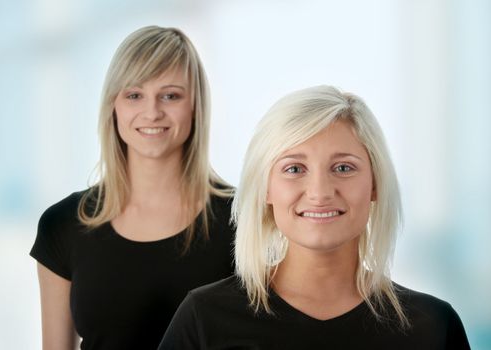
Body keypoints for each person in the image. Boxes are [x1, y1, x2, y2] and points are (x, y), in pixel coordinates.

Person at [158, 85, 470, 349]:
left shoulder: (433, 328)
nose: (320, 192)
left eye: (343, 168)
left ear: (374, 184)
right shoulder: (204, 318)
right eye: (294, 169)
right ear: (266, 188)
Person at [30, 26, 235, 349]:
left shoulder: (242, 220)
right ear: (114, 105)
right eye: (134, 95)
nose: (152, 112)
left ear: (195, 105)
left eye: (170, 95)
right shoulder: (63, 225)